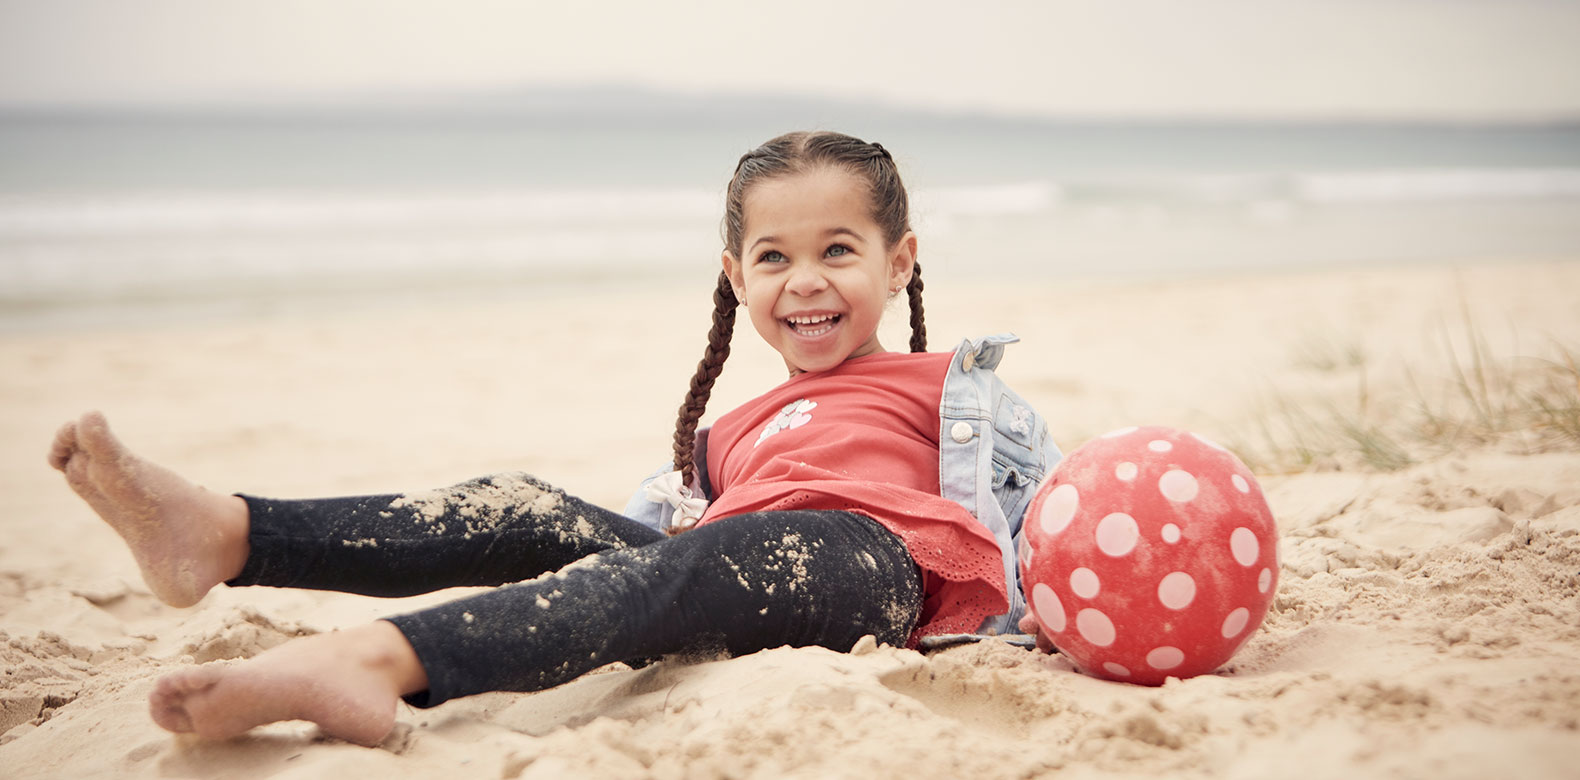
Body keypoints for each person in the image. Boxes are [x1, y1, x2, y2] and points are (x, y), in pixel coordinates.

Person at [47, 131, 1061, 746]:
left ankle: (373, 662)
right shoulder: (723, 436)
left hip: (871, 561)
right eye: (773, 255)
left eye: (838, 249)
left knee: (693, 564)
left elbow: (1054, 507)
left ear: (899, 264)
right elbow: (660, 550)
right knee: (526, 503)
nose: (804, 278)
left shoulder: (949, 387)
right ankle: (229, 534)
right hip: (723, 562)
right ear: (734, 276)